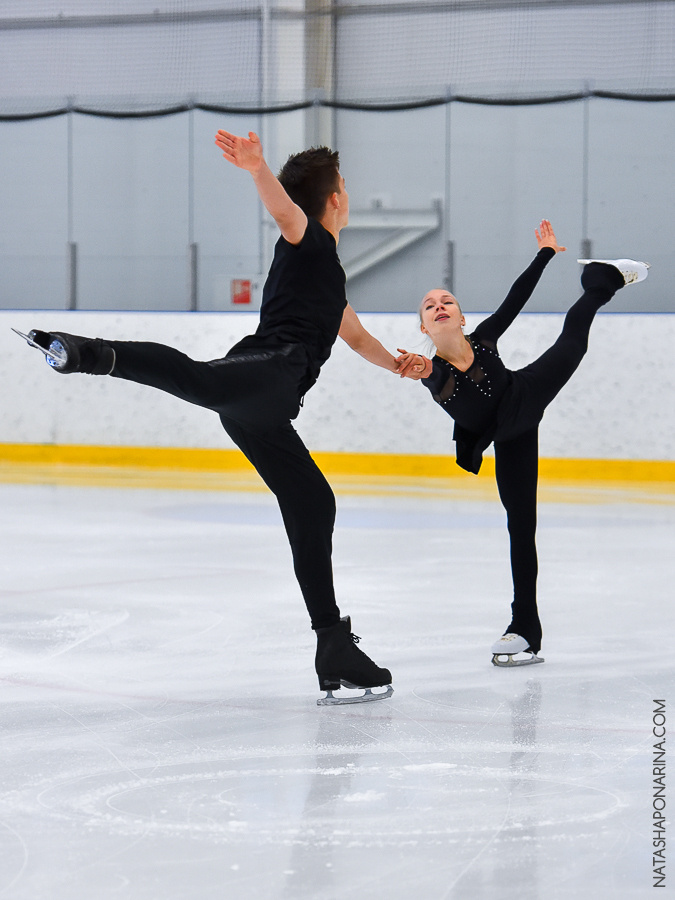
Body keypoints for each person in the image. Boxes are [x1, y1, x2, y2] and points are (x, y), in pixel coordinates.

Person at [15, 129, 418, 704]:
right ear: (333, 199)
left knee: (313, 501)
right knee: (196, 378)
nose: (348, 196)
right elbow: (286, 214)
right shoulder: (309, 243)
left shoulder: (328, 276)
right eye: (345, 188)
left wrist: (399, 364)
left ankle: (333, 646)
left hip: (264, 403)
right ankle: (87, 353)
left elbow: (355, 337)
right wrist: (258, 170)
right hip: (267, 375)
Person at [398, 222, 649, 666]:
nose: (439, 307)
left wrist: (545, 253)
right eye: (430, 306)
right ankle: (525, 630)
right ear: (423, 324)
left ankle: (604, 278)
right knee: (521, 527)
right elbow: (429, 375)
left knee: (573, 341)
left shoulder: (484, 338)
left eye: (447, 302)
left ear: (460, 316)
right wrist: (418, 367)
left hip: (526, 392)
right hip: (507, 435)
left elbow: (516, 298)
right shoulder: (433, 370)